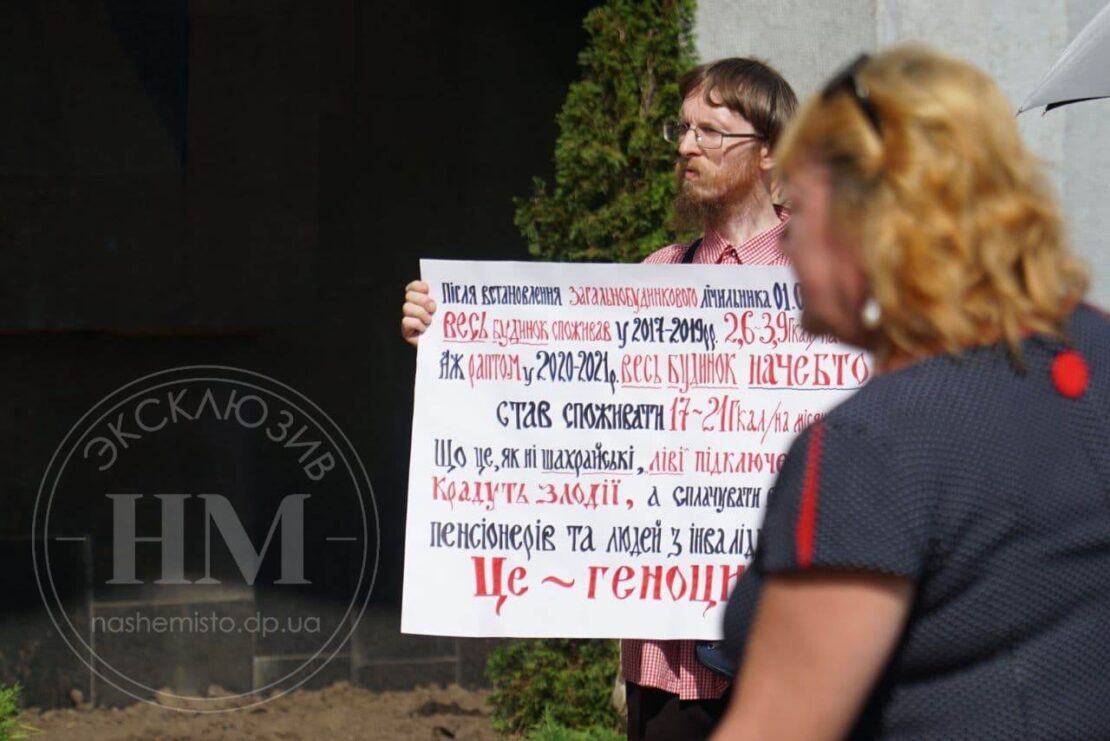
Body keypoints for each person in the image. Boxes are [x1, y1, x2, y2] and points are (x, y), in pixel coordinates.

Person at [712, 46, 1110, 740]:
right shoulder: (1095, 351)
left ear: (870, 218)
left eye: (798, 207)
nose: (789, 242)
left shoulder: (876, 445)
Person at [402, 58, 798, 740]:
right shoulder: (655, 277)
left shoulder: (830, 276)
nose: (685, 146)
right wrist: (452, 339)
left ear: (767, 151)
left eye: (711, 131)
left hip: (789, 657)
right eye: (683, 128)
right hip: (669, 660)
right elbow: (564, 416)